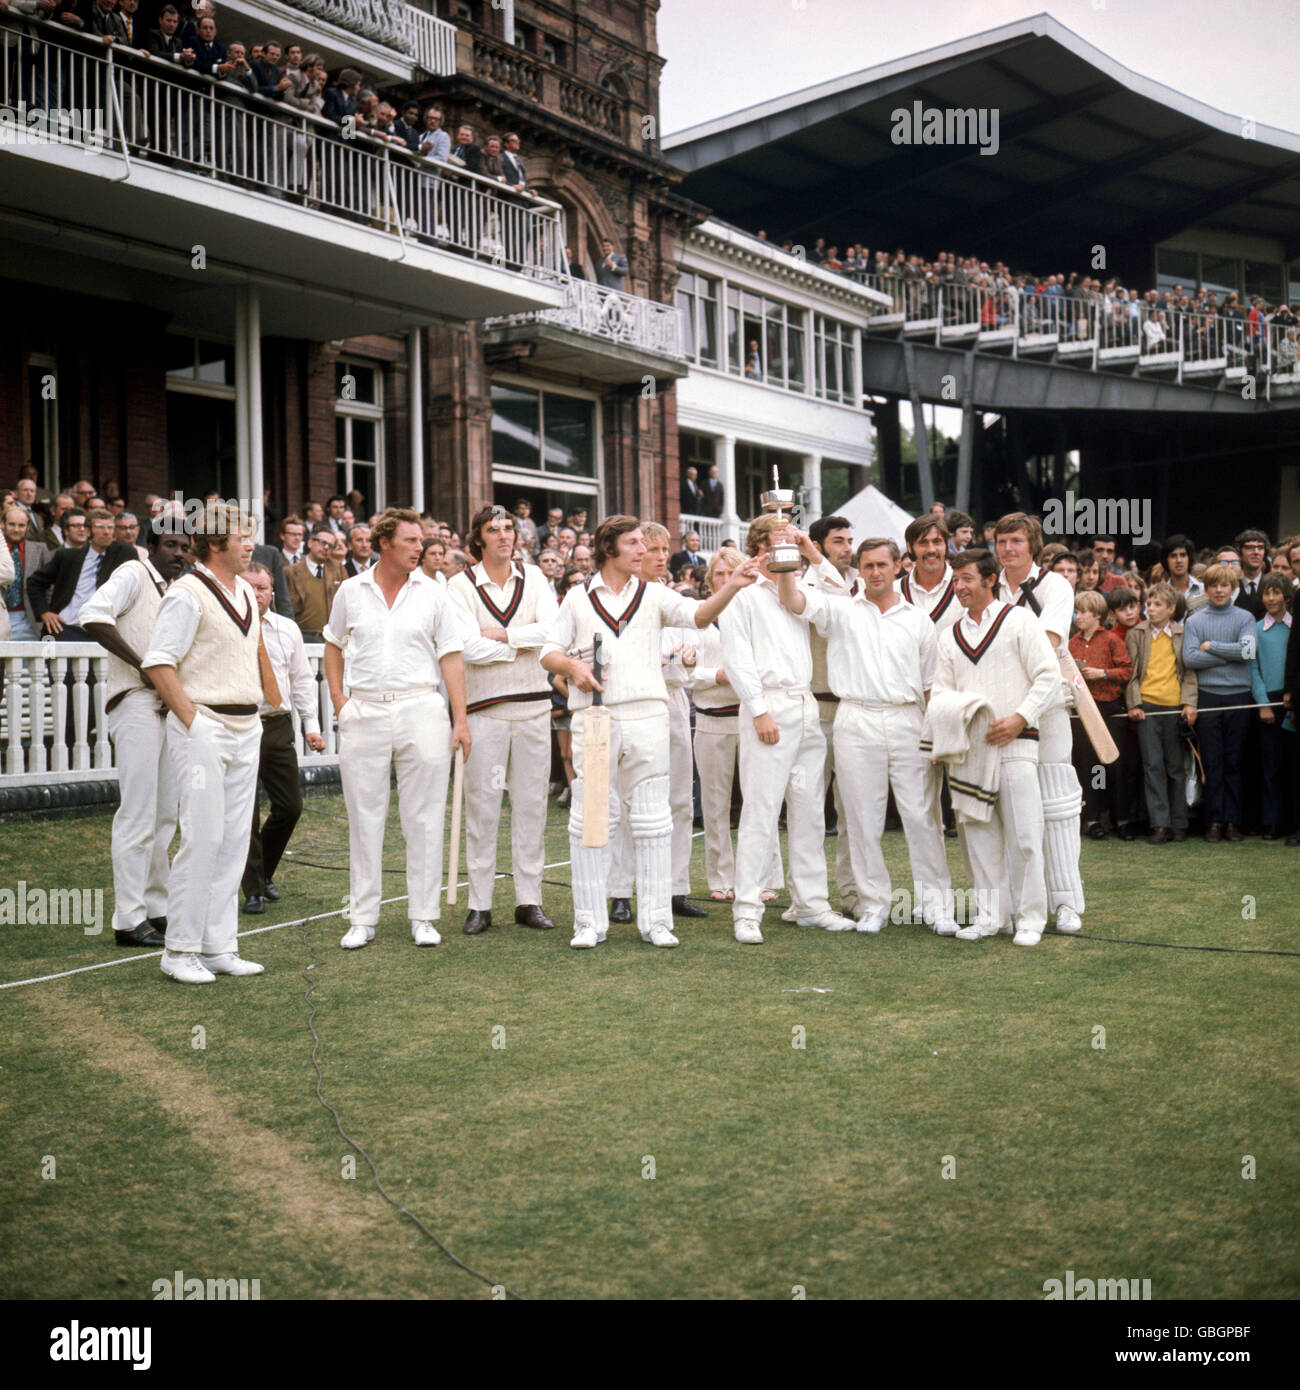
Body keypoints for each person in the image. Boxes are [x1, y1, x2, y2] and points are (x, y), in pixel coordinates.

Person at [540, 516, 760, 949]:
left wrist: (731, 585)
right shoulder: (577, 599)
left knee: (654, 818)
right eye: (633, 543)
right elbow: (549, 652)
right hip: (595, 718)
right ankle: (588, 921)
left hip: (648, 714)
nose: (644, 550)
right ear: (610, 549)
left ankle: (657, 920)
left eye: (644, 543)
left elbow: (698, 617)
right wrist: (574, 666)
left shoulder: (656, 594)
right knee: (593, 817)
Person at [776, 532, 957, 937]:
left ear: (898, 567)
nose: (875, 572)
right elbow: (793, 600)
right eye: (868, 565)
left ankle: (937, 906)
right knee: (860, 819)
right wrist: (788, 555)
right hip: (855, 719)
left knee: (922, 816)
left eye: (882, 564)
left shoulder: (918, 620)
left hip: (909, 720)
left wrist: (937, 738)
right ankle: (874, 905)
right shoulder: (842, 610)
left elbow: (930, 686)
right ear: (858, 569)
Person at [324, 509, 472, 950]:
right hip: (364, 711)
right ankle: (363, 918)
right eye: (410, 541)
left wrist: (460, 718)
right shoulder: (351, 590)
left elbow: (451, 656)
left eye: (420, 541)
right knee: (364, 817)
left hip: (422, 708)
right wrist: (339, 701)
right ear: (382, 544)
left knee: (424, 817)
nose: (419, 549)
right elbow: (333, 645)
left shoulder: (434, 593)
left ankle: (423, 916)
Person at [141, 503, 270, 983]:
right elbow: (158, 663)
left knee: (235, 840)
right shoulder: (188, 592)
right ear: (215, 544)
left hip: (246, 726)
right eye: (242, 536)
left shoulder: (246, 593)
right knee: (203, 837)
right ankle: (178, 950)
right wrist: (195, 723)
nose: (251, 544)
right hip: (203, 727)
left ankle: (218, 945)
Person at [719, 514, 859, 943]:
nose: (791, 548)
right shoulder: (741, 594)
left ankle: (810, 905)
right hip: (768, 705)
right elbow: (737, 657)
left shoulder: (801, 586)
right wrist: (758, 709)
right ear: (759, 546)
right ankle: (746, 910)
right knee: (761, 812)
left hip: (805, 704)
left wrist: (811, 551)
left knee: (810, 810)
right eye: (781, 540)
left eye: (793, 542)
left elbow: (841, 594)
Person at [925, 548, 1059, 945]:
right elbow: (941, 693)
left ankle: (1031, 917)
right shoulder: (949, 635)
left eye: (966, 579)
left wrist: (1020, 717)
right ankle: (992, 916)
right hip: (970, 752)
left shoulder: (1019, 621)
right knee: (976, 836)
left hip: (1017, 743)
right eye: (955, 580)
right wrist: (951, 731)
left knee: (1024, 834)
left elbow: (1048, 676)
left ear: (989, 580)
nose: (959, 587)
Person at [80, 517, 191, 947]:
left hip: (168, 707)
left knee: (165, 814)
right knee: (138, 813)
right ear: (152, 545)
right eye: (171, 545)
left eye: (185, 547)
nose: (179, 553)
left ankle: (156, 908)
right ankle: (127, 918)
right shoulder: (133, 573)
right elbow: (92, 615)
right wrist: (142, 664)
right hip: (134, 702)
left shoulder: (175, 588)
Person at [448, 506, 559, 936]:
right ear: (478, 539)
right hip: (486, 713)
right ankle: (480, 904)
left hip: (534, 709)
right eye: (493, 530)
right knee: (483, 808)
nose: (503, 536)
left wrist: (502, 635)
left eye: (508, 528)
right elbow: (466, 648)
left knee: (532, 807)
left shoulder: (534, 578)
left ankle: (529, 900)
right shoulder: (458, 585)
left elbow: (553, 632)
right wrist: (522, 642)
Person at [606, 523, 705, 924]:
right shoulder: (618, 600)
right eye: (653, 549)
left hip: (674, 703)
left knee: (679, 799)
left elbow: (690, 658)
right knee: (628, 800)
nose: (662, 556)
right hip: (632, 704)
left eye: (667, 549)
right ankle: (619, 890)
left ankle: (674, 886)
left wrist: (688, 658)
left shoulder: (676, 600)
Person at [995, 512, 1085, 934]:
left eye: (1016, 541)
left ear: (1032, 544)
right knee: (1009, 806)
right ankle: (1017, 903)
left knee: (1057, 803)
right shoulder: (988, 584)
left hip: (1046, 704)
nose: (1008, 549)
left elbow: (1046, 647)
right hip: (998, 709)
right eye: (1002, 541)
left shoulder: (1056, 586)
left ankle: (1067, 902)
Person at [691, 548, 782, 904]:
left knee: (760, 800)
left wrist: (746, 678)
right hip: (712, 721)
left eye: (733, 572)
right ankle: (720, 877)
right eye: (719, 575)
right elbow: (679, 672)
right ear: (709, 580)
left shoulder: (756, 613)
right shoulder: (697, 618)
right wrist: (716, 675)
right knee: (714, 806)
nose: (726, 580)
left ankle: (767, 876)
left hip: (751, 718)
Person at [240, 564, 325, 914]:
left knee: (290, 806)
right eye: (250, 587)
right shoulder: (230, 626)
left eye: (263, 588)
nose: (257, 594)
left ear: (272, 591)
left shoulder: (286, 629)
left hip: (276, 724)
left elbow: (302, 680)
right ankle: (253, 889)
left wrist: (311, 725)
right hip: (240, 723)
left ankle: (265, 872)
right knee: (244, 811)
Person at [1183, 563, 1257, 842]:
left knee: (1234, 762)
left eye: (1224, 585)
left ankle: (1233, 822)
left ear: (1232, 588)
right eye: (1213, 585)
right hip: (1209, 696)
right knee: (1212, 761)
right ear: (1206, 588)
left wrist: (1212, 646)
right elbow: (1190, 658)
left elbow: (1249, 651)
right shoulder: (1195, 620)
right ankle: (1213, 821)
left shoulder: (1245, 617)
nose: (1218, 590)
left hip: (1239, 696)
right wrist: (1231, 653)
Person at [1125, 582, 1197, 844]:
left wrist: (1189, 703)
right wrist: (1134, 703)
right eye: (1149, 604)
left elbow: (1188, 672)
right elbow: (1131, 674)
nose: (1150, 609)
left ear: (1171, 609)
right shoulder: (1136, 634)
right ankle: (1159, 824)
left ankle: (1180, 822)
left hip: (1174, 707)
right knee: (1152, 766)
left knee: (1177, 767)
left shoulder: (1182, 632)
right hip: (1147, 708)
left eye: (1157, 605)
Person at [1068, 590, 1133, 840]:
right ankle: (1094, 819)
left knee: (1114, 765)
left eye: (1083, 611)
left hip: (1109, 709)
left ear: (1097, 615)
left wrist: (1102, 674)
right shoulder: (1072, 643)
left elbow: (1126, 670)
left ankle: (1122, 820)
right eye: (1077, 611)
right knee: (1091, 766)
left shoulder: (1111, 640)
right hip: (1084, 710)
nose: (1078, 616)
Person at [1249, 573, 1293, 840]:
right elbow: (1253, 667)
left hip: (1292, 698)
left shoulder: (1295, 626)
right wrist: (1263, 703)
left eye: (1276, 592)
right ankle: (1272, 820)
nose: (1271, 598)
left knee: (1292, 764)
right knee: (1270, 764)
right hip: (1268, 700)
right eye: (1267, 593)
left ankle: (1292, 819)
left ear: (1286, 595)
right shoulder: (1255, 629)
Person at [287, 523, 344, 640]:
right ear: (310, 543)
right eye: (323, 542)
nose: (326, 547)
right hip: (300, 635)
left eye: (331, 545)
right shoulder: (290, 572)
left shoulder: (339, 570)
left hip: (329, 637)